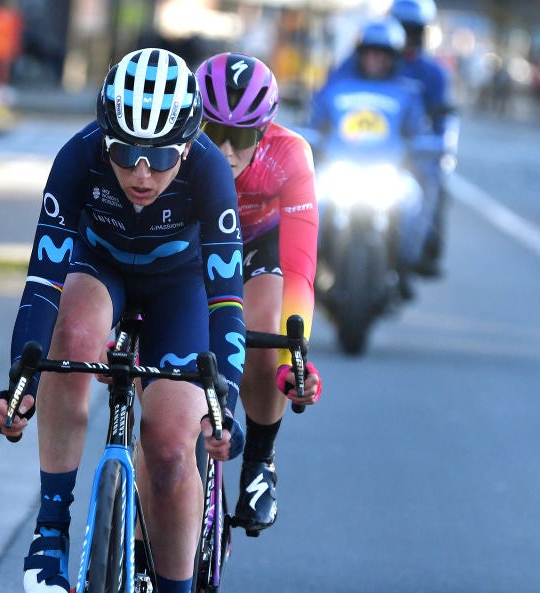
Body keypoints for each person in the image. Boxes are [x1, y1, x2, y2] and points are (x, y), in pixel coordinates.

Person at [0, 47, 245, 593]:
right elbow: (42, 282)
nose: (139, 171)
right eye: (125, 151)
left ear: (187, 146)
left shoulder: (211, 174)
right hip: (100, 269)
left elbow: (227, 298)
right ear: (105, 136)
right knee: (71, 337)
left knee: (167, 445)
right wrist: (20, 381)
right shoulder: (77, 157)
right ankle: (50, 531)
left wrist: (226, 404)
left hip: (179, 288)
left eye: (159, 158)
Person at [193, 52, 323, 534]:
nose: (226, 151)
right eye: (212, 132)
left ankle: (260, 464)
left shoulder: (289, 155)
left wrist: (296, 357)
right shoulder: (176, 149)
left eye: (242, 136)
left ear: (264, 131)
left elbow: (300, 270)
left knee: (264, 330)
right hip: (197, 237)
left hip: (259, 246)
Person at [324, 0, 457, 276]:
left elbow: (439, 121)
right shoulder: (349, 66)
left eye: (413, 30)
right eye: (401, 28)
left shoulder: (431, 74)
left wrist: (434, 147)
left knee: (430, 185)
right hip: (350, 152)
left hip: (403, 154)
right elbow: (325, 104)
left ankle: (415, 254)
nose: (407, 36)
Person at [309, 16, 437, 299]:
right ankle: (306, 267)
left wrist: (429, 144)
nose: (376, 59)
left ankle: (403, 266)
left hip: (387, 174)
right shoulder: (335, 87)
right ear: (360, 53)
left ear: (394, 57)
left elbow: (420, 131)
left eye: (383, 53)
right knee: (307, 201)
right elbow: (313, 125)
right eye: (370, 52)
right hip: (340, 171)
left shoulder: (408, 93)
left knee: (415, 201)